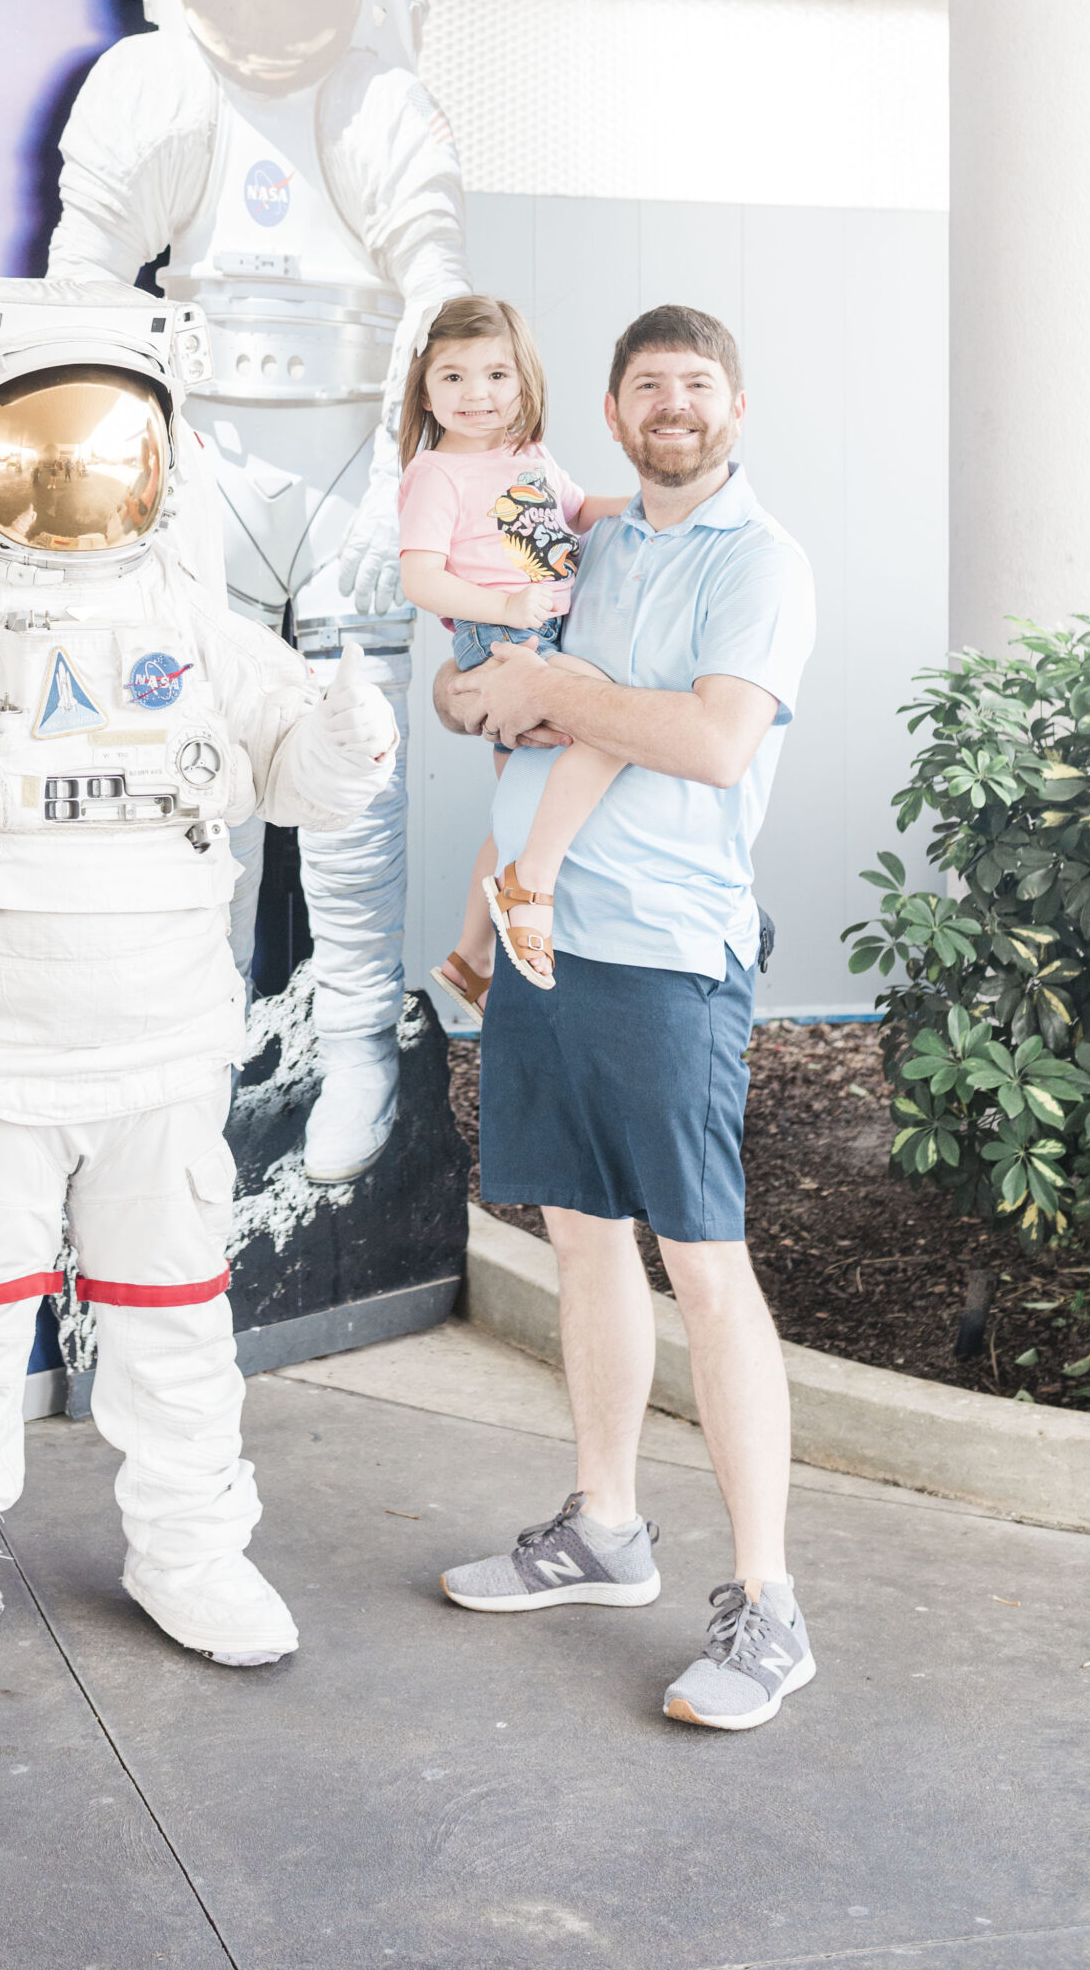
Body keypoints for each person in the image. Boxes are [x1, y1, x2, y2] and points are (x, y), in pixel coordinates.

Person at [0, 274, 397, 1698]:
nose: (71, 471)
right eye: (40, 438)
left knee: (176, 1317)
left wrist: (348, 740)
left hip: (158, 1043)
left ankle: (191, 1551)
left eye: (105, 439)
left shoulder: (182, 606)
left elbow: (294, 767)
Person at [45, 0, 471, 1184]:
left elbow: (436, 266)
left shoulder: (374, 101)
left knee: (352, 774)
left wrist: (437, 358)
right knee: (187, 761)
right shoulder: (158, 87)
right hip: (204, 464)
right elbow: (83, 278)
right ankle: (199, 1028)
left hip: (354, 468)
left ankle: (354, 1042)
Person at [433, 303, 819, 1734]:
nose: (674, 403)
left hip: (667, 955)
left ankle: (769, 1606)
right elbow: (474, 680)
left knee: (705, 1267)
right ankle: (605, 1530)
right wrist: (487, 692)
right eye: (649, 383)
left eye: (697, 384)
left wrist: (568, 691)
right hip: (548, 942)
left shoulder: (759, 563)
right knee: (587, 1242)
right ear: (611, 409)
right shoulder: (582, 539)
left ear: (734, 408)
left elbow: (716, 742)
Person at [393, 293, 631, 1004]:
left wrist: (654, 504)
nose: (477, 394)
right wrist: (500, 606)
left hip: (543, 626)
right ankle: (532, 890)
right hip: (500, 634)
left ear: (525, 381)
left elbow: (580, 512)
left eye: (497, 375)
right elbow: (420, 577)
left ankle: (471, 956)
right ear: (426, 391)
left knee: (520, 810)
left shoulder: (527, 454)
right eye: (454, 377)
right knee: (607, 721)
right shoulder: (436, 473)